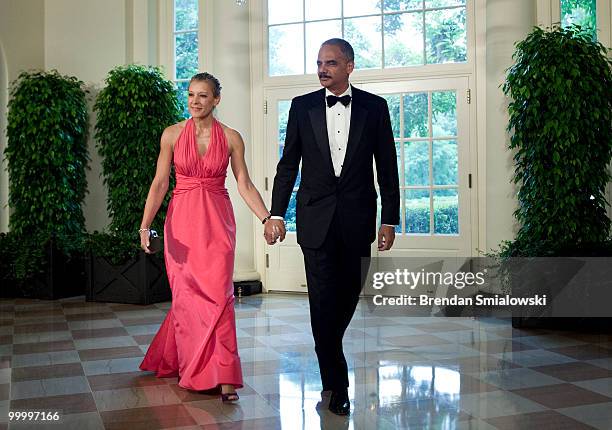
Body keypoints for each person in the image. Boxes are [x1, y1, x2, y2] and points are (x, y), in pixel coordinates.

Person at [264, 38, 400, 415]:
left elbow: (387, 167)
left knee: (346, 299)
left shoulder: (375, 107)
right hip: (315, 220)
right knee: (322, 303)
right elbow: (288, 164)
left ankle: (329, 350)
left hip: (358, 220)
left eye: (331, 63)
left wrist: (389, 217)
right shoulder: (301, 106)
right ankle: (336, 383)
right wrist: (277, 212)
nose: (323, 69)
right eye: (319, 63)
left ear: (350, 66)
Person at [139, 72, 272, 402]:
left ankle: (225, 375)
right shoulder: (171, 134)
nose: (195, 101)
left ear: (216, 100)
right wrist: (145, 226)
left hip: (217, 223)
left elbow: (244, 183)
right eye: (191, 95)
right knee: (186, 297)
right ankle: (190, 364)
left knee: (219, 296)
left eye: (202, 95)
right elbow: (159, 184)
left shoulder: (231, 137)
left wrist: (267, 217)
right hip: (181, 223)